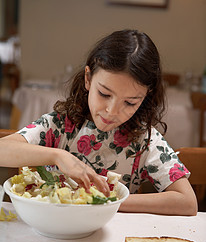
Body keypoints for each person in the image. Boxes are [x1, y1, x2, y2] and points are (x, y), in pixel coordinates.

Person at [0, 29, 197, 215]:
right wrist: (57, 156)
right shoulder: (61, 126)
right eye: (104, 94)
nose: (112, 111)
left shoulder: (146, 140)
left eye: (130, 102)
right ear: (88, 79)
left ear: (145, 97)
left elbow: (187, 202)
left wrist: (107, 201)